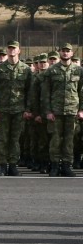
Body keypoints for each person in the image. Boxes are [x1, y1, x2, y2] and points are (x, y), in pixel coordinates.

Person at [0, 40, 32, 176]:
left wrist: (27, 109)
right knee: (3, 138)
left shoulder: (26, 70)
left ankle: (13, 165)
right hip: (2, 110)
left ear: (19, 50)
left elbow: (29, 91)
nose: (11, 50)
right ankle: (2, 165)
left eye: (14, 48)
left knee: (15, 139)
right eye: (9, 48)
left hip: (18, 110)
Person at [43, 43, 82, 177]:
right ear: (59, 52)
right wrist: (48, 111)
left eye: (67, 51)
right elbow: (46, 93)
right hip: (56, 111)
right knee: (55, 140)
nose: (65, 53)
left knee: (69, 140)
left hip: (72, 111)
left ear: (71, 53)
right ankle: (54, 165)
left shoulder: (79, 71)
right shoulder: (51, 71)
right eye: (63, 51)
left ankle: (66, 165)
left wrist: (81, 110)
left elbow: (81, 91)